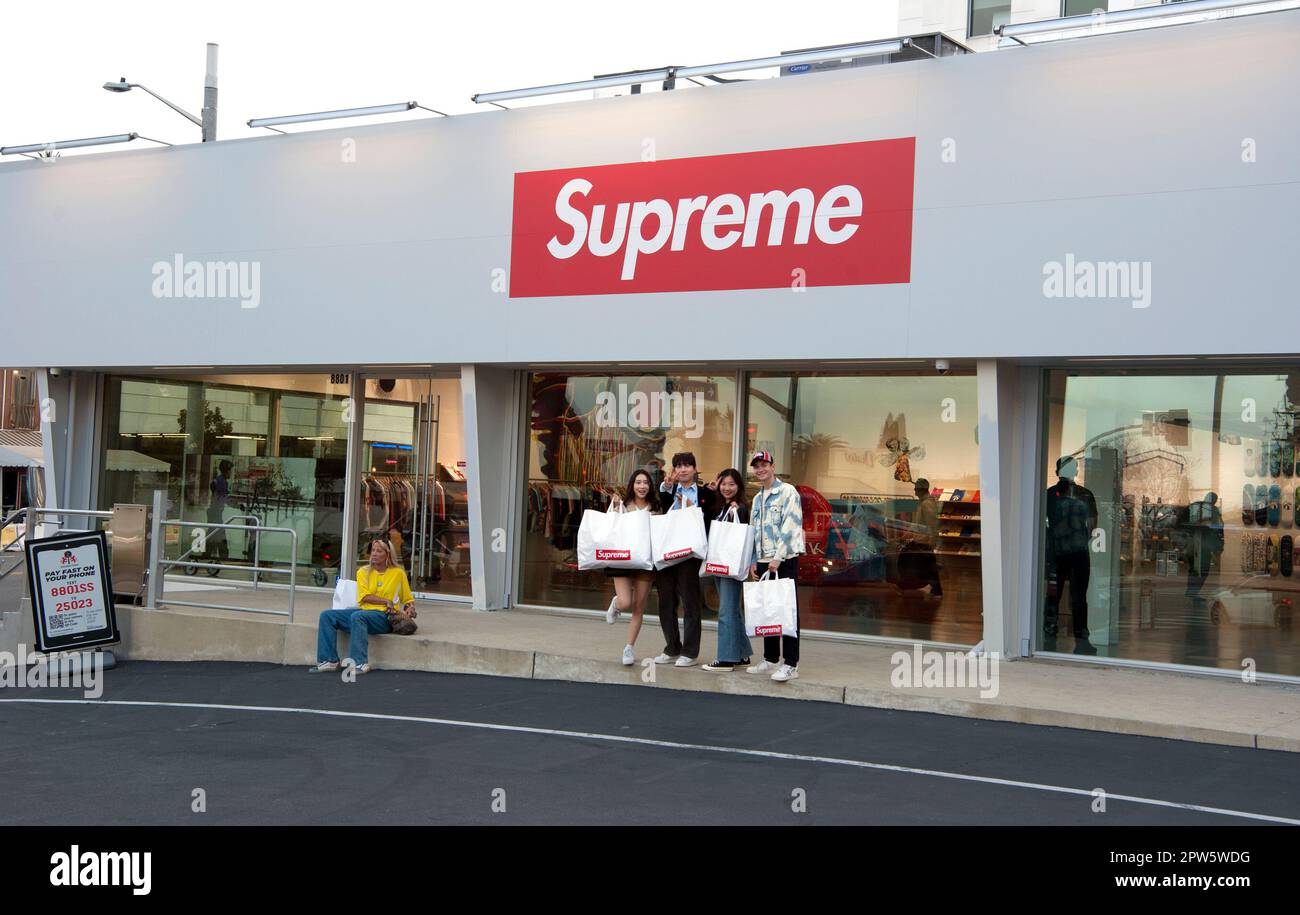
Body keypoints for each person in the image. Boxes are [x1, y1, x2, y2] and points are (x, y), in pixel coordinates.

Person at [311, 538, 415, 675]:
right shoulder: (363, 572)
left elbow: (407, 598)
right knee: (327, 615)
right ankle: (329, 660)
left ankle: (360, 663)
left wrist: (410, 608)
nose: (374, 554)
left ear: (387, 554)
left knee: (358, 616)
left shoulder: (398, 573)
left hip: (385, 617)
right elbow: (364, 597)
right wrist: (386, 601)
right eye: (373, 550)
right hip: (364, 613)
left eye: (379, 551)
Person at [653, 451, 718, 668]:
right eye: (678, 466)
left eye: (687, 465)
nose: (683, 469)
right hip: (666, 551)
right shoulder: (668, 491)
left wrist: (693, 509)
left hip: (689, 554)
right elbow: (660, 507)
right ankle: (672, 647)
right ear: (674, 470)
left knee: (691, 603)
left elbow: (710, 520)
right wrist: (666, 488)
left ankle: (690, 652)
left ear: (694, 468)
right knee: (666, 602)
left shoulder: (705, 494)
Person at [746, 450, 805, 682]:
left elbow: (791, 526)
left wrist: (778, 557)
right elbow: (754, 530)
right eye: (756, 466)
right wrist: (753, 559)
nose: (760, 469)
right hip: (762, 562)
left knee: (788, 612)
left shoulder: (787, 492)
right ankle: (771, 659)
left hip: (783, 560)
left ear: (773, 465)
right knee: (768, 610)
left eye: (764, 464)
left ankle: (791, 664)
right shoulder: (758, 498)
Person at [605, 468, 662, 666]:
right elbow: (611, 526)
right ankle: (616, 604)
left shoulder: (656, 507)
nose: (642, 486)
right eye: (638, 482)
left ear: (650, 486)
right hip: (623, 558)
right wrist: (614, 506)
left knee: (638, 607)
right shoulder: (624, 504)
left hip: (645, 561)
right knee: (625, 602)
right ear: (632, 485)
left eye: (646, 482)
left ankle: (628, 647)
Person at [1044, 455, 1098, 655]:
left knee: (1053, 596)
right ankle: (1081, 639)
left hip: (1056, 552)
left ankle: (1048, 633)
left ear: (1057, 472)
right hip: (1078, 552)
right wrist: (1080, 539)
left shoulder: (1048, 495)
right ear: (1076, 471)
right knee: (1078, 597)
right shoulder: (1085, 495)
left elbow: (1042, 524)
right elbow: (1093, 525)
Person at [702, 468, 753, 671]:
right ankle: (741, 653)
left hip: (730, 566)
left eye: (731, 484)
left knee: (726, 612)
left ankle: (726, 658)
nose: (727, 488)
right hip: (722, 564)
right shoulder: (723, 506)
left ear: (739, 486)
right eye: (723, 484)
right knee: (732, 610)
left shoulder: (738, 508)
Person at [911, 477, 943, 598]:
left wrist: (931, 541)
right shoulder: (924, 503)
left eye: (915, 489)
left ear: (920, 490)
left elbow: (932, 524)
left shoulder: (927, 503)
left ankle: (936, 590)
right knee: (927, 566)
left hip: (925, 541)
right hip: (922, 540)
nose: (914, 491)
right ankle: (934, 589)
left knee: (929, 567)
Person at [207, 459, 233, 564]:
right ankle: (223, 557)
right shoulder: (222, 482)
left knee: (213, 534)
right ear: (226, 471)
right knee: (219, 535)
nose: (231, 473)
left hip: (214, 512)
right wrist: (237, 505)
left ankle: (208, 555)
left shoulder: (219, 480)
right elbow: (224, 498)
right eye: (230, 471)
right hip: (216, 512)